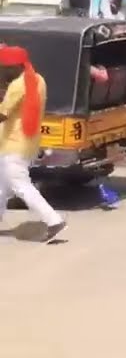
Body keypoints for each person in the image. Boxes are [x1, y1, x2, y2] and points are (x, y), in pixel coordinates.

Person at [0, 45, 65, 242]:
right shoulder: (38, 80)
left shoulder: (17, 85)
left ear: (13, 67)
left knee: (21, 186)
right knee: (1, 187)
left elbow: (3, 114)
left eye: (3, 67)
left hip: (13, 145)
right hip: (28, 142)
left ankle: (54, 221)